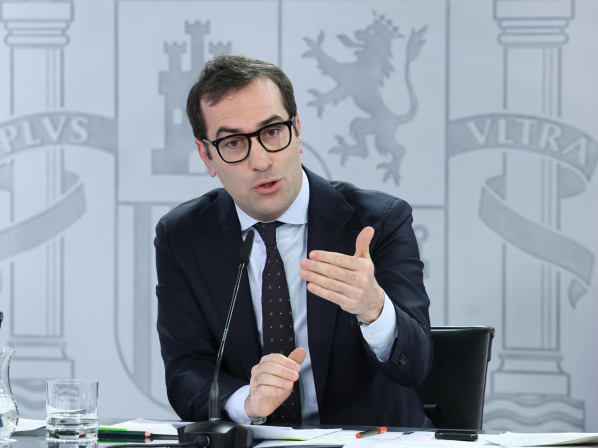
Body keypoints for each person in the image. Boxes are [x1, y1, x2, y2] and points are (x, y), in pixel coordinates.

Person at [155, 54, 433, 427]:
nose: (261, 161)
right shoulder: (183, 236)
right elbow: (186, 370)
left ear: (297, 131)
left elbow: (416, 365)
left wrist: (374, 308)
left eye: (272, 132)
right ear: (207, 155)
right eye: (233, 142)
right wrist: (247, 402)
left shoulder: (378, 222)